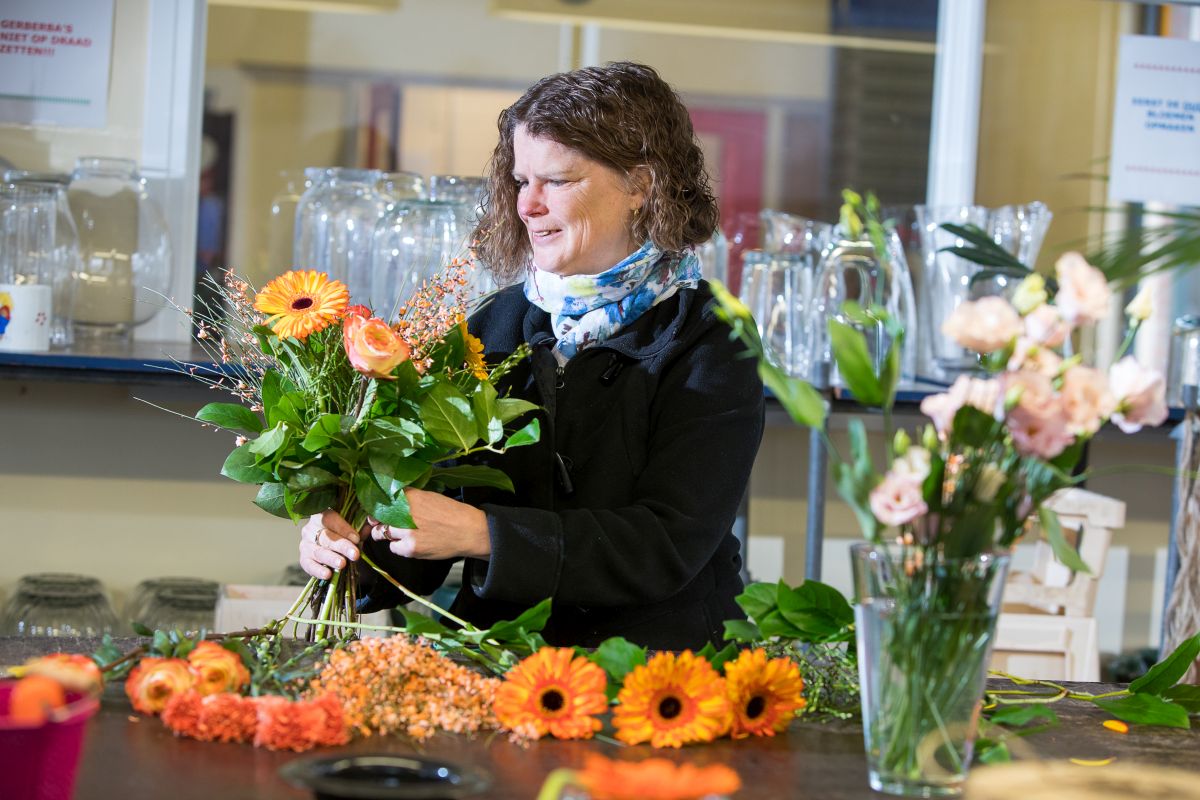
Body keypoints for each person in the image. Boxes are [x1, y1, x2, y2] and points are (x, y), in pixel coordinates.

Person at [299, 61, 764, 650]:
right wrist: (348, 548)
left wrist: (485, 534)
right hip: (495, 656)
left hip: (657, 677)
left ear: (641, 185)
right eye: (521, 181)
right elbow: (425, 531)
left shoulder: (713, 340)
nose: (527, 205)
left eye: (558, 181)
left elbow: (665, 545)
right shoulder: (491, 325)